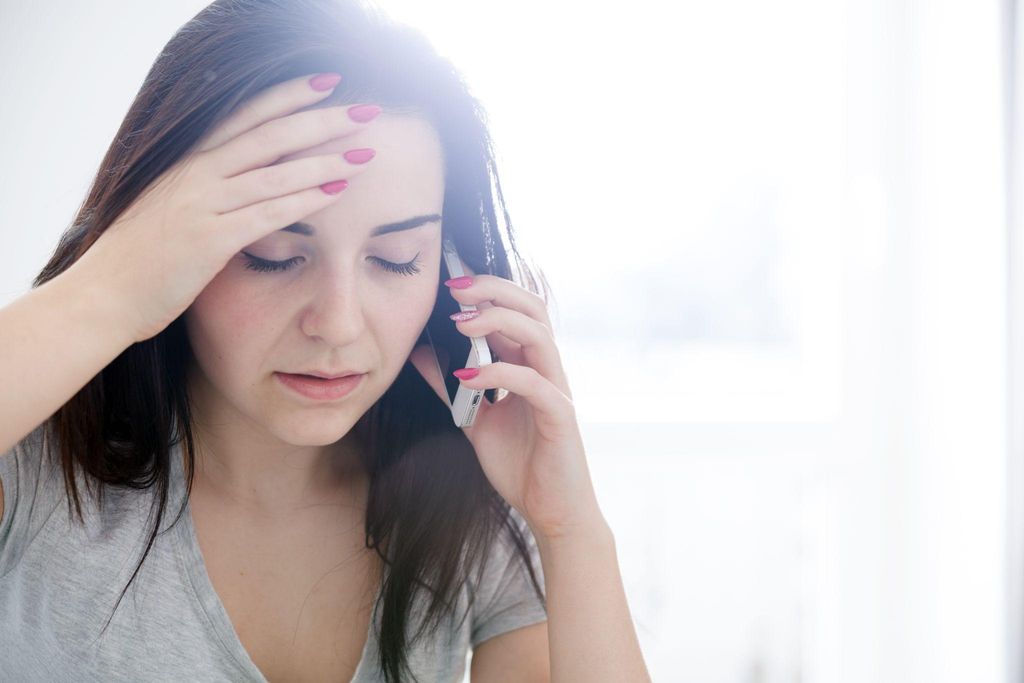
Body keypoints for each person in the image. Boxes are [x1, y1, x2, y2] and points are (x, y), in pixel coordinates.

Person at [0, 0, 650, 681]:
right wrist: (109, 285)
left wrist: (572, 530)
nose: (338, 324)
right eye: (274, 254)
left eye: (397, 257)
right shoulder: (37, 474)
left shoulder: (470, 511)